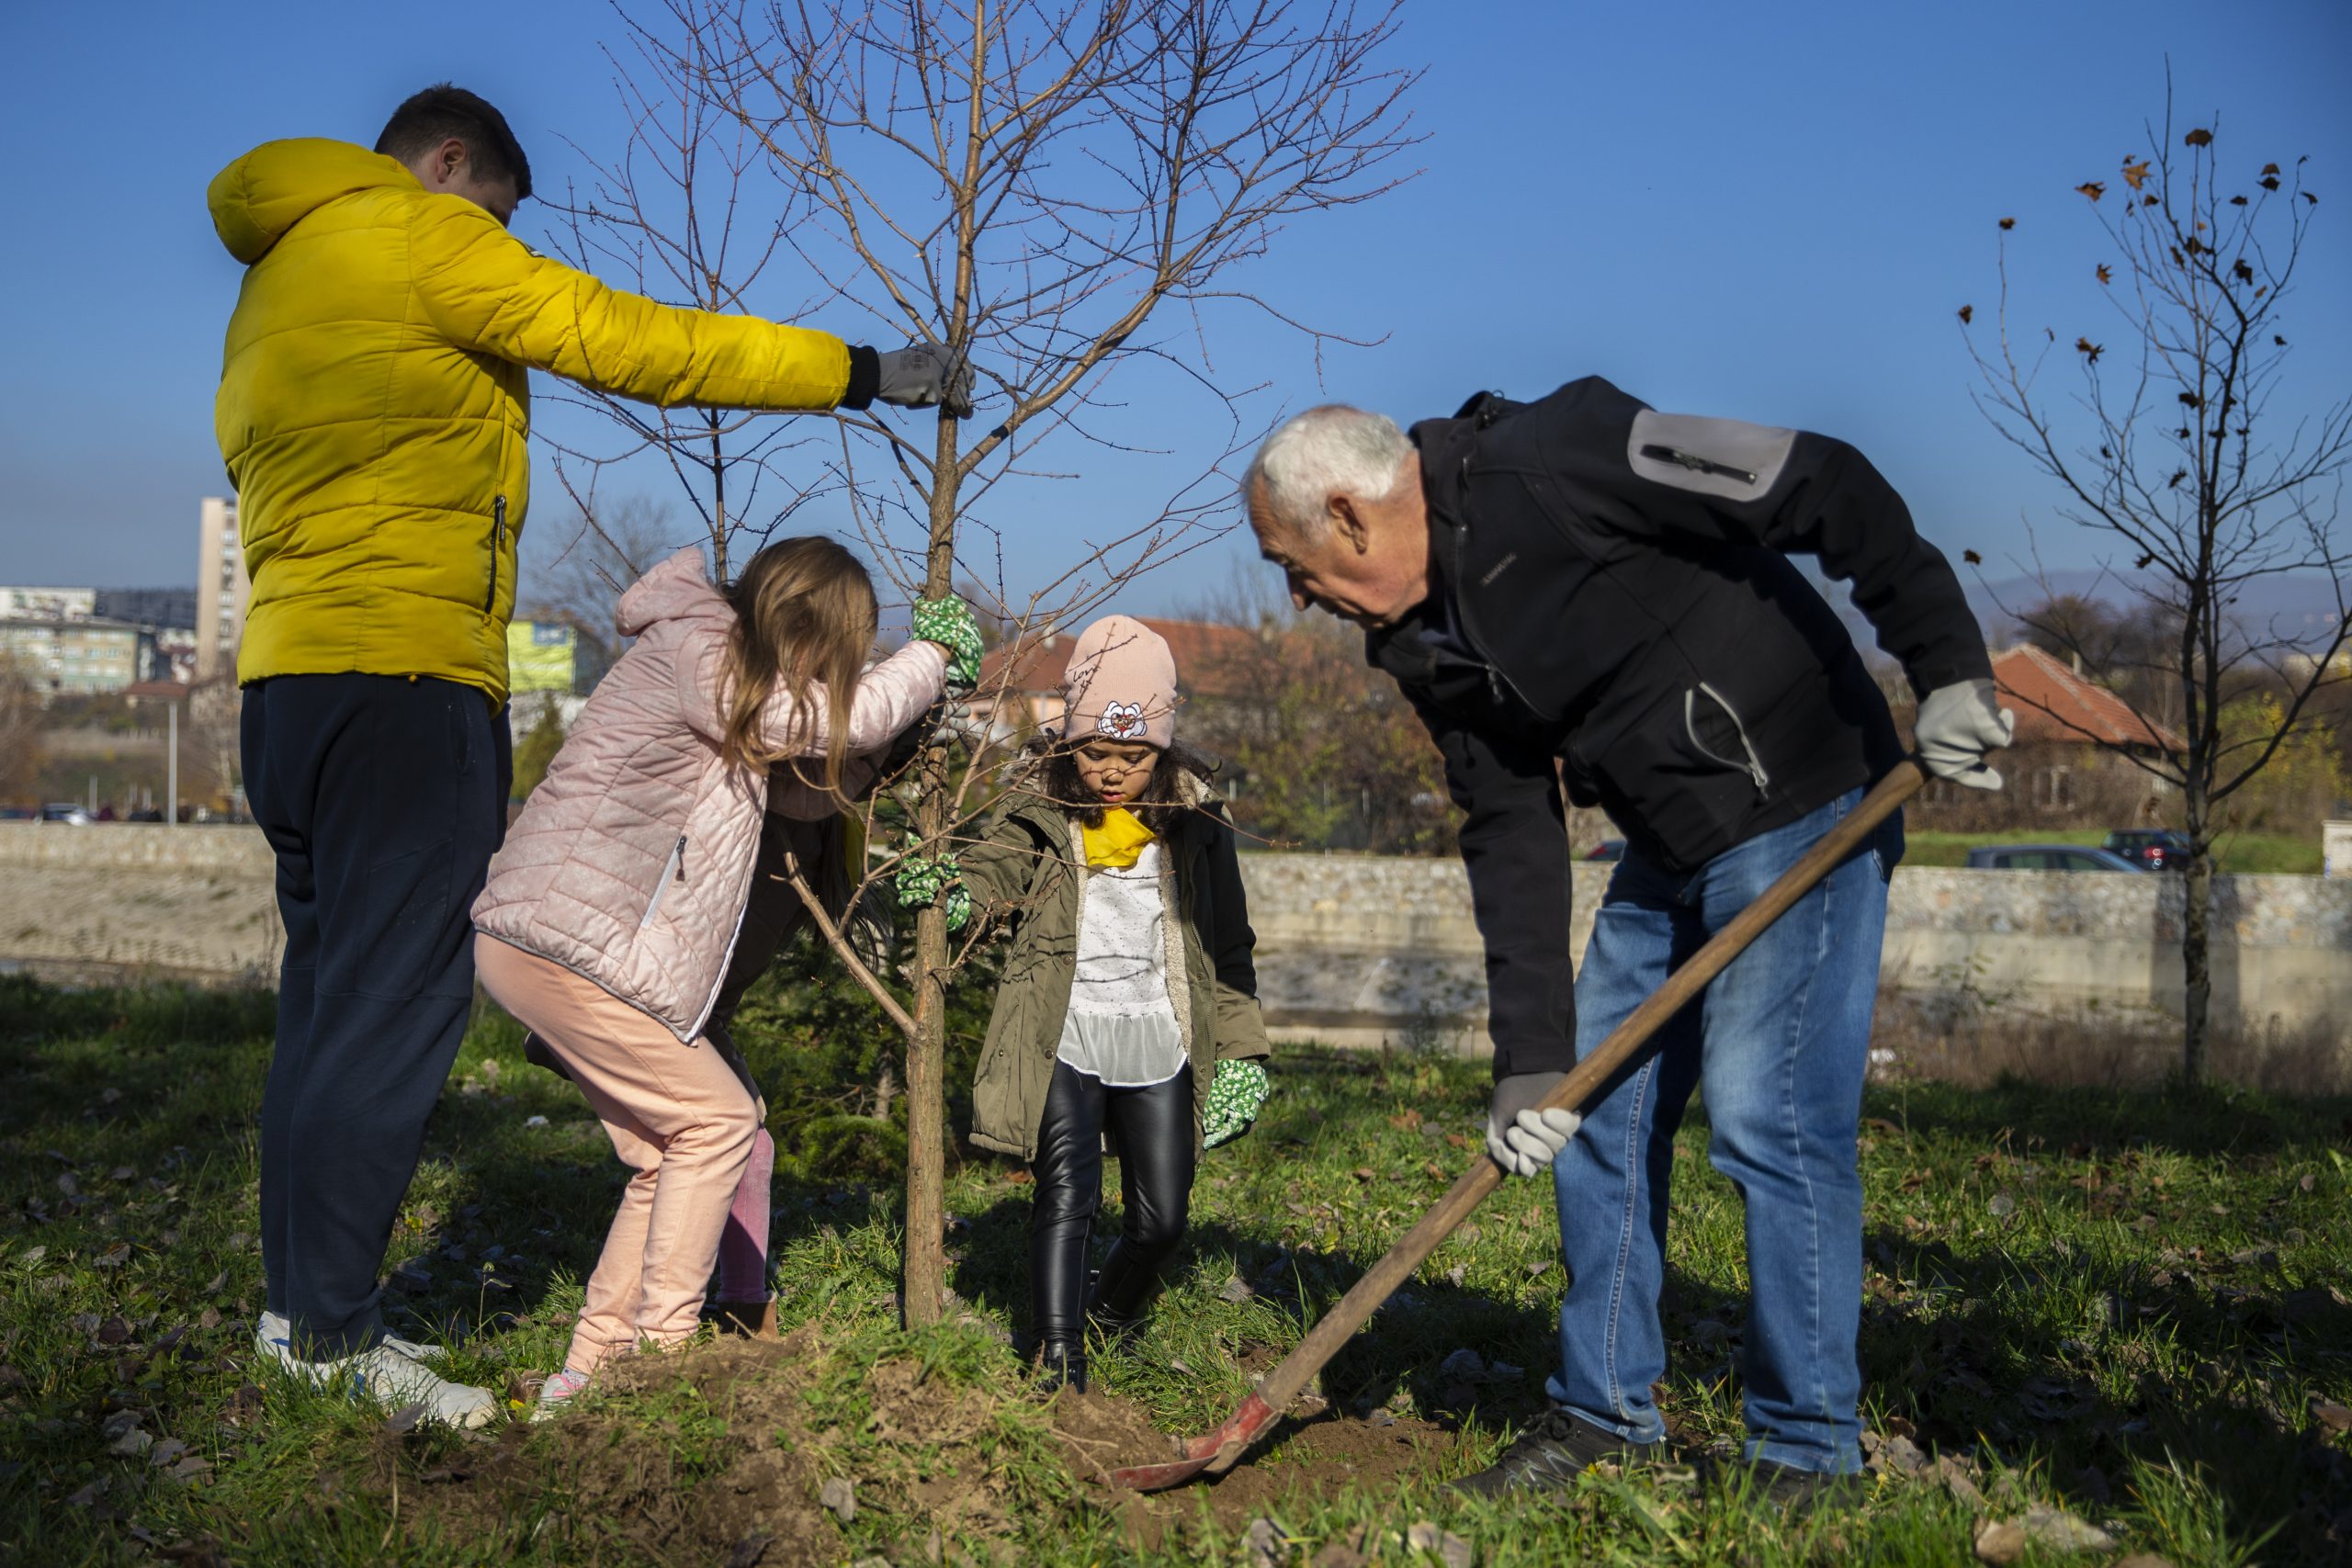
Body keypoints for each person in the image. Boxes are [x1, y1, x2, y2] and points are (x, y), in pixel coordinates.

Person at [214, 83, 975, 1426]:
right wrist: (856, 373)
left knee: (323, 1007)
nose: (503, 245)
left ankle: (297, 1312)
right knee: (396, 1003)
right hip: (405, 677)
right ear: (450, 166)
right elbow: (633, 340)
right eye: (501, 215)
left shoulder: (283, 269)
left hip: (286, 682)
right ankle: (331, 1334)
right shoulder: (422, 236)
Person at [1242, 384, 2012, 1502]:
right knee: (1589, 1118)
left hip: (1806, 798)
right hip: (1664, 848)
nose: (1299, 596)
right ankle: (1603, 1414)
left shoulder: (1563, 453)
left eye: (1292, 564)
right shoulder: (1418, 644)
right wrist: (1528, 1062)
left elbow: (1819, 474)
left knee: (1768, 1117)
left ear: (1352, 515)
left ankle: (1806, 1447)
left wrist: (1947, 663)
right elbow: (1507, 828)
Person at [472, 538, 981, 1416]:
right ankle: (662, 1365)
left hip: (565, 947)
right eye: (840, 655)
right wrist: (928, 660)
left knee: (664, 1152)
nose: (838, 676)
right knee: (720, 1120)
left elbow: (802, 790)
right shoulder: (698, 645)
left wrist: (900, 741)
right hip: (562, 943)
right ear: (812, 628)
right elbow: (836, 726)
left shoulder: (724, 675)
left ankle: (591, 1371)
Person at [904, 616, 1272, 1393]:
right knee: (1066, 1194)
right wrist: (952, 898)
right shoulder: (1040, 813)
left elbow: (1229, 943)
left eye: (1132, 756)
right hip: (1065, 1032)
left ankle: (1105, 1319)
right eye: (1095, 752)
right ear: (1069, 744)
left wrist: (1242, 1050)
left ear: (1162, 749)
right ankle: (1058, 1356)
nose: (1111, 772)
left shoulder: (1199, 827)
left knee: (1162, 1216)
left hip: (1160, 1033)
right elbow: (990, 872)